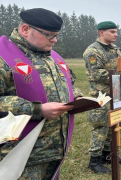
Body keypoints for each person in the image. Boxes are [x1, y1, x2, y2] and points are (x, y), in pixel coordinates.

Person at [0, 8, 83, 179]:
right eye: (50, 35)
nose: (55, 40)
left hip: (54, 148)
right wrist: (36, 109)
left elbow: (68, 82)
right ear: (25, 30)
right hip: (22, 153)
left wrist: (77, 97)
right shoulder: (3, 57)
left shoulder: (52, 57)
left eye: (56, 35)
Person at [83, 21, 121, 173]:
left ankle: (108, 154)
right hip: (102, 96)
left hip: (116, 94)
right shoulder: (93, 51)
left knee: (114, 125)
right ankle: (94, 160)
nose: (116, 34)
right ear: (101, 33)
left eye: (116, 32)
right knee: (101, 127)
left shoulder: (115, 49)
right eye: (112, 32)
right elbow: (96, 74)